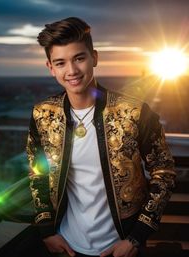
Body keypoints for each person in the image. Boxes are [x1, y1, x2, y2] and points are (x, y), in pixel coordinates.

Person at [26, 17, 176, 257]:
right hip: (67, 244)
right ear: (51, 68)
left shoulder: (134, 113)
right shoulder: (43, 115)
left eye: (79, 58)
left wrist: (137, 238)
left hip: (123, 244)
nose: (72, 71)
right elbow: (38, 173)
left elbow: (164, 172)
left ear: (94, 57)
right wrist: (46, 231)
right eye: (61, 63)